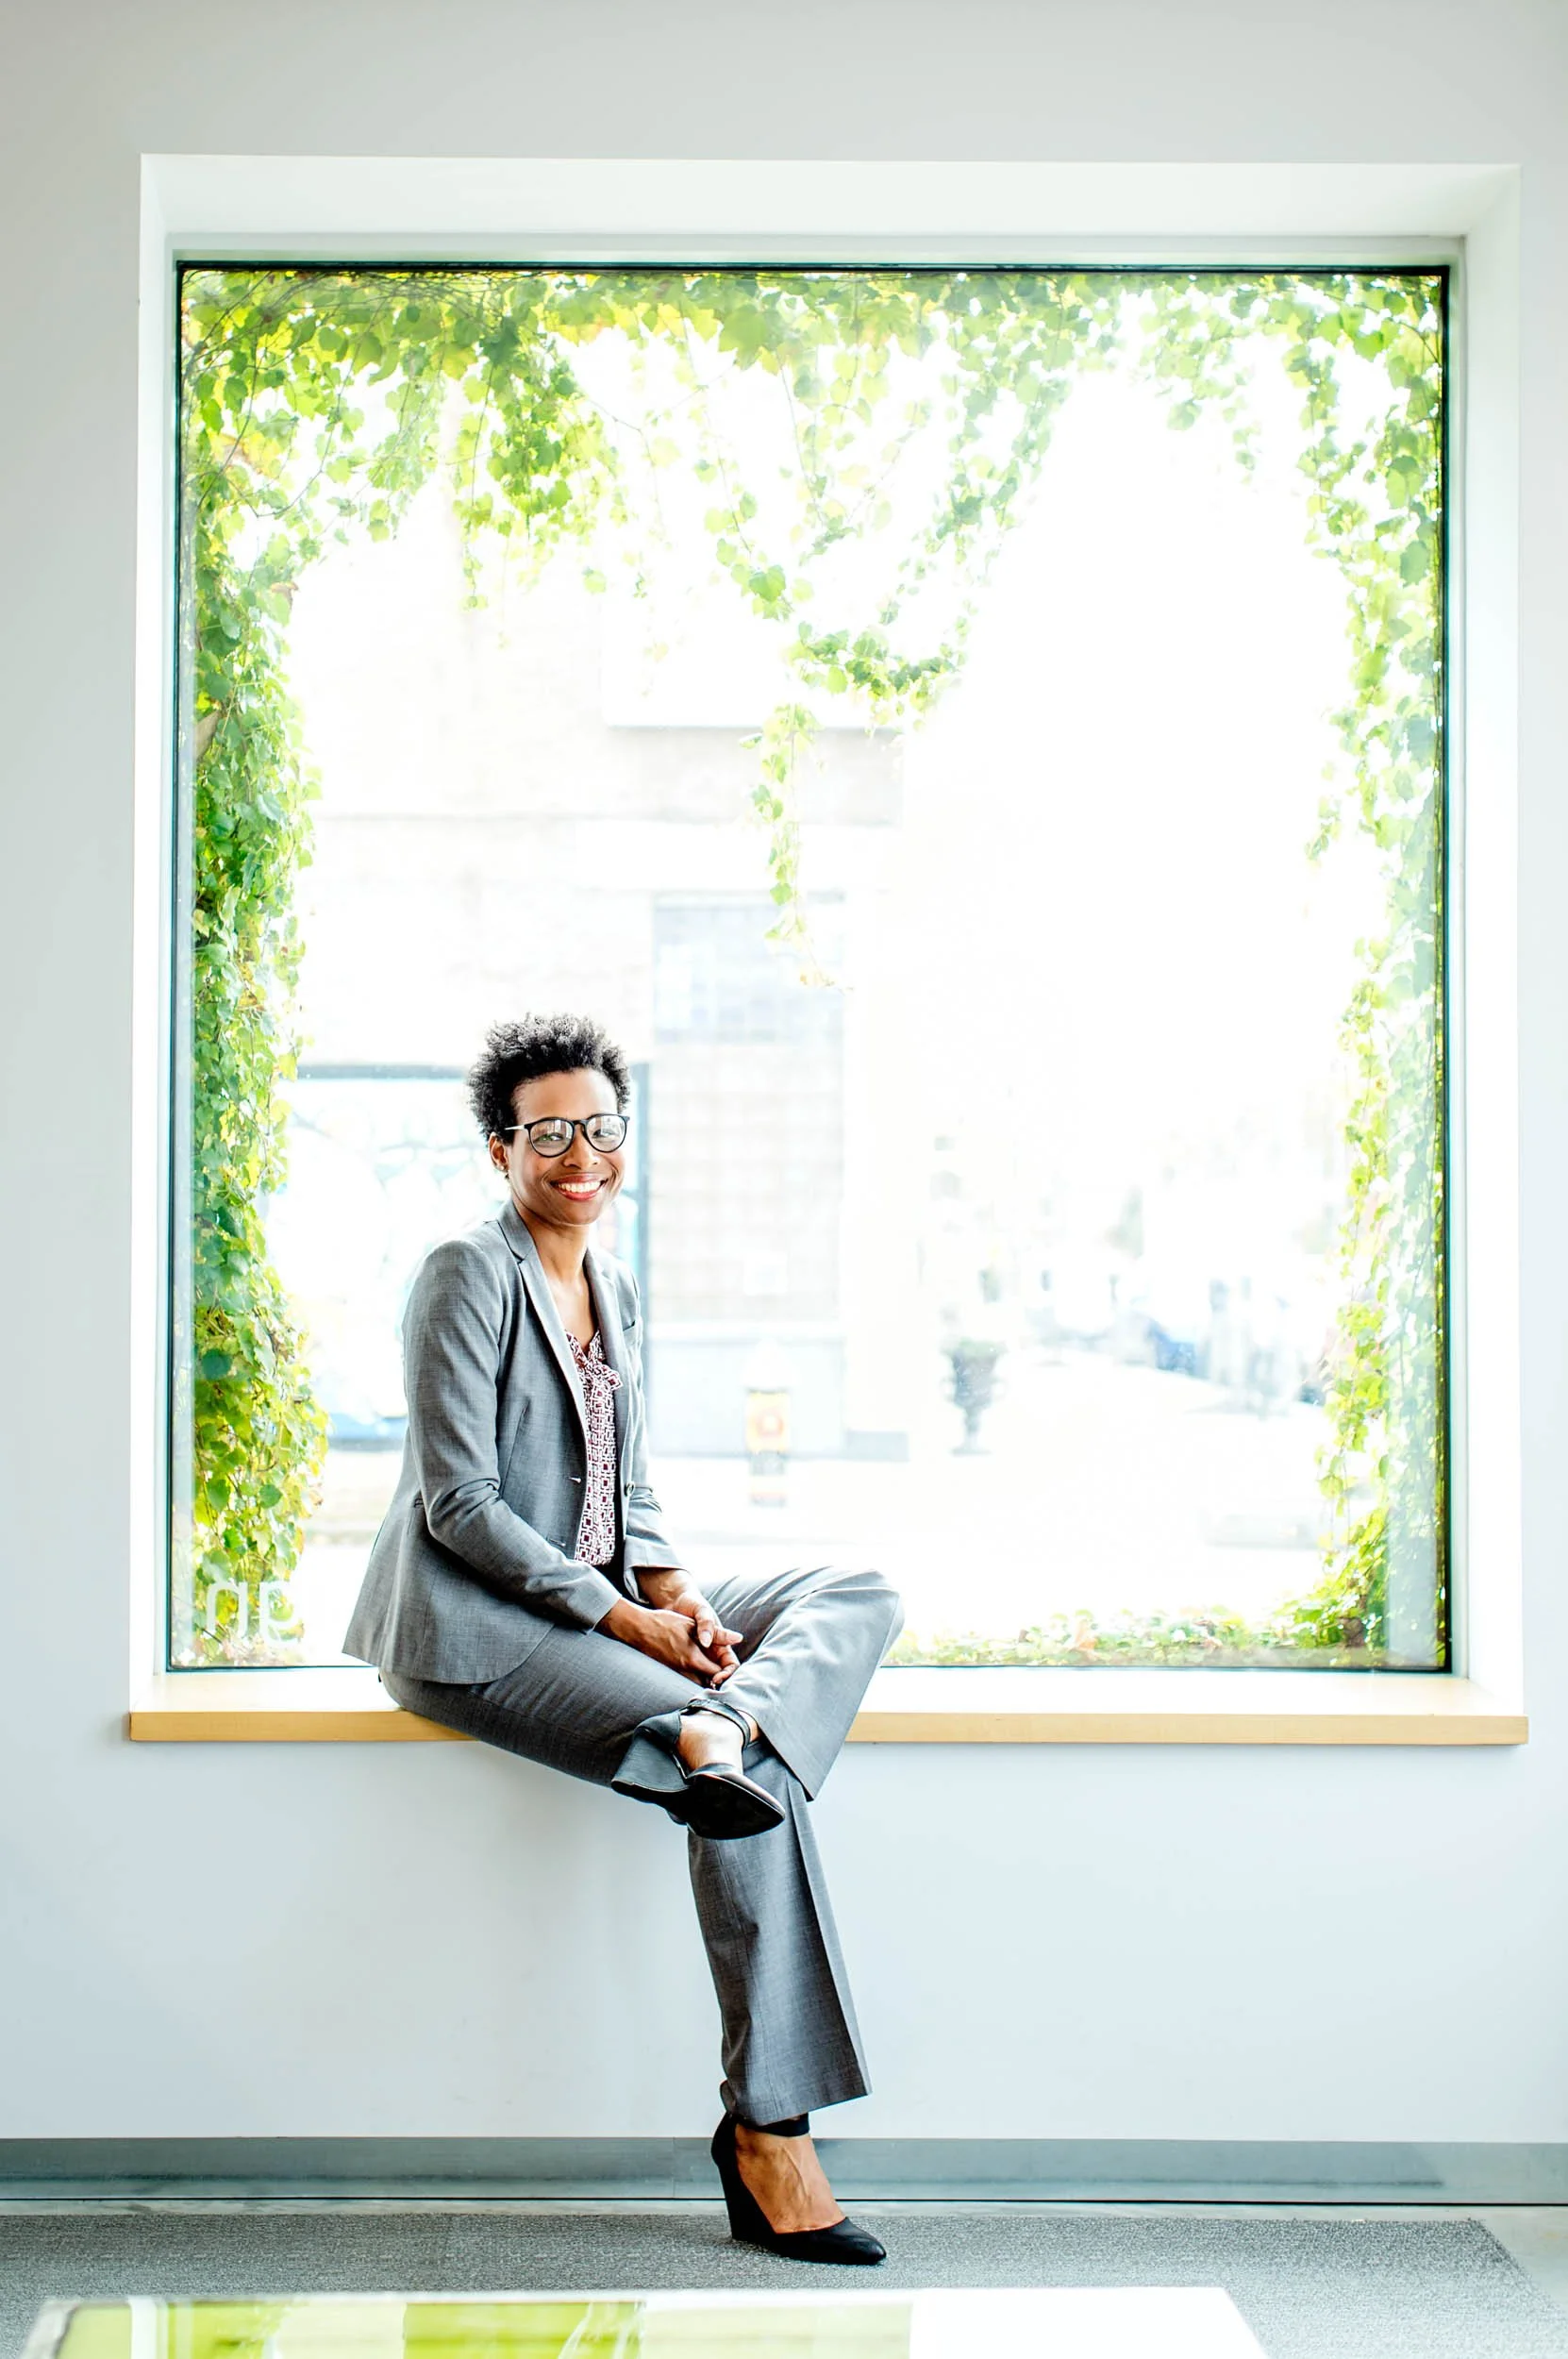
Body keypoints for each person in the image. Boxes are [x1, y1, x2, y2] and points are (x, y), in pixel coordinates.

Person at [343, 1012, 903, 2264]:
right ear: (501, 1150)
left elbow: (629, 1483)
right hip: (477, 1625)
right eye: (551, 1134)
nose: (582, 1155)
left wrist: (680, 1594)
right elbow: (459, 1504)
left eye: (602, 1128)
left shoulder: (615, 1279)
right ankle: (769, 2135)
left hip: (608, 1597)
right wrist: (625, 1621)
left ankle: (732, 1726)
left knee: (851, 1590)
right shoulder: (466, 1273)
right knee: (737, 1770)